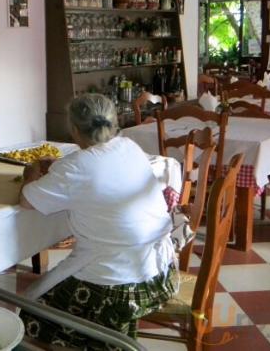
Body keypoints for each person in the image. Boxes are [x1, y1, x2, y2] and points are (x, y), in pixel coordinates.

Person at [19, 93, 176, 350]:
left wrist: (32, 171)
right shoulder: (129, 146)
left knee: (31, 310)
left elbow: (27, 201)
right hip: (160, 272)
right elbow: (100, 171)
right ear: (113, 124)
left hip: (117, 288)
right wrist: (61, 167)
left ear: (74, 129)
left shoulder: (75, 167)